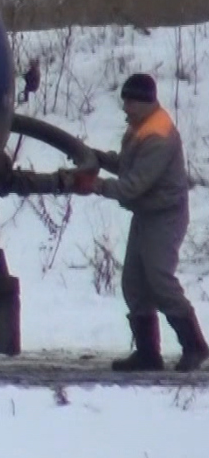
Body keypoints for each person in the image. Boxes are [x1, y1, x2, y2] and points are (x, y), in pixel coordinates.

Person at [62, 73, 208, 372]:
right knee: (134, 283)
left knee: (159, 281)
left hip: (165, 216)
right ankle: (147, 354)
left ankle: (195, 346)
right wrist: (99, 159)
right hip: (147, 213)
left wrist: (94, 184)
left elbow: (133, 185)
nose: (125, 107)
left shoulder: (158, 136)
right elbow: (130, 167)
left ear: (145, 102)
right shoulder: (141, 127)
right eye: (124, 100)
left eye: (130, 101)